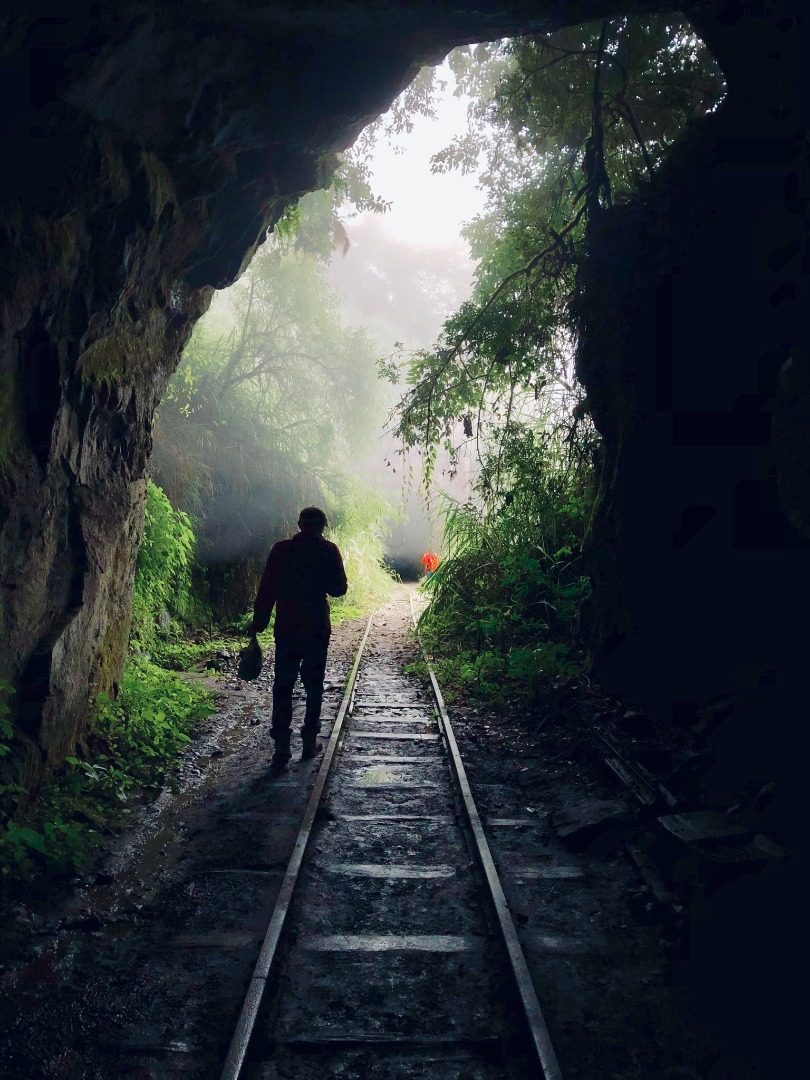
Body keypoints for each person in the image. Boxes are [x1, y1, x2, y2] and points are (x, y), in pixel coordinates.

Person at [248, 507, 347, 772]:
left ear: (299, 524)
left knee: (283, 684)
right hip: (316, 625)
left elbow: (267, 587)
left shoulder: (281, 550)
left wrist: (259, 622)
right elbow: (339, 589)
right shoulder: (328, 551)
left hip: (288, 625)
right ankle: (309, 740)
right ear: (323, 527)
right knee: (314, 684)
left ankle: (282, 746)